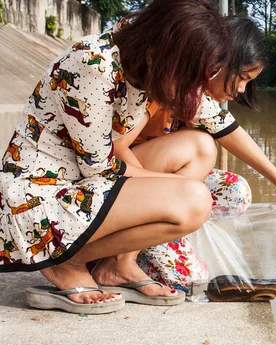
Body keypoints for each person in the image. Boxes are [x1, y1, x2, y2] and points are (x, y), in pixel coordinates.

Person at [0, 0, 232, 314]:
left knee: (201, 148)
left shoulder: (142, 67)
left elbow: (220, 122)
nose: (193, 85)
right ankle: (67, 262)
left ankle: (117, 265)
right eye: (191, 73)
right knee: (194, 199)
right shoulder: (94, 63)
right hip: (38, 200)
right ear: (168, 52)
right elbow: (100, 168)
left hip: (84, 187)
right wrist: (175, 188)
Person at [95, 16, 276, 294]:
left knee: (235, 193)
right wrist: (176, 192)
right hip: (119, 179)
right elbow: (116, 151)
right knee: (192, 277)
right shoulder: (161, 78)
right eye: (242, 78)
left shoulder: (193, 91)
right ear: (216, 62)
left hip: (147, 177)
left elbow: (231, 131)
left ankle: (137, 248)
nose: (242, 89)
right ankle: (116, 255)